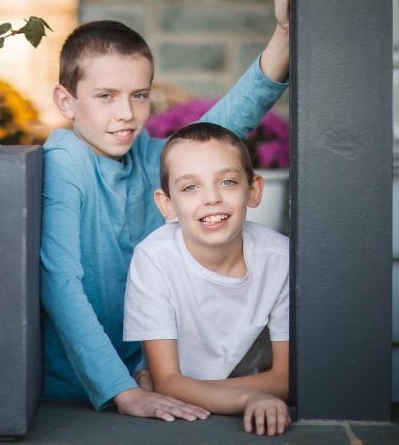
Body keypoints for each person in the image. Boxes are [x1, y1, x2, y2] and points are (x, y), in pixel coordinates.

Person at [40, 0, 293, 422]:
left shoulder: (146, 154)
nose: (126, 114)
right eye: (105, 96)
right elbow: (59, 284)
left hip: (153, 377)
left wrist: (284, 33)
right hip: (86, 387)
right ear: (66, 102)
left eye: (139, 95)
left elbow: (223, 130)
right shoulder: (65, 159)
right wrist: (121, 390)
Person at [123, 122, 290, 436]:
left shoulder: (281, 259)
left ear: (253, 190)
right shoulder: (154, 259)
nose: (211, 198)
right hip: (191, 410)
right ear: (167, 204)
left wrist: (171, 387)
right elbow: (168, 380)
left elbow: (284, 379)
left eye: (227, 182)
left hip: (199, 395)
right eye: (190, 187)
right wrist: (251, 397)